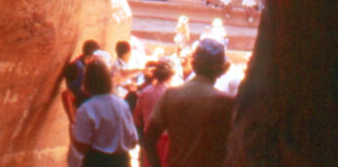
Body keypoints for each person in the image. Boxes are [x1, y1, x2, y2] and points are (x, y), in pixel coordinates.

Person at [143, 38, 234, 167]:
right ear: (221, 70)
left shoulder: (171, 95)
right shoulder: (226, 102)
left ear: (194, 63)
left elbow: (149, 139)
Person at [72, 57, 138, 167]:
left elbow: (82, 147)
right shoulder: (122, 105)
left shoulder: (87, 108)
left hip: (97, 162)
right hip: (122, 161)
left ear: (87, 81)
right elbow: (133, 141)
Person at [134, 60, 175, 167]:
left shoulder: (146, 92)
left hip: (149, 137)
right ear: (170, 76)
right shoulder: (171, 93)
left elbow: (136, 117)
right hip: (167, 138)